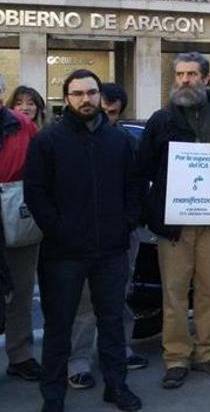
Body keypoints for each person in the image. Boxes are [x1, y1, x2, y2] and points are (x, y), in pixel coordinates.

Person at [24, 69, 142, 411]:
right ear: (67, 98)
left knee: (111, 322)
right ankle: (53, 397)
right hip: (63, 253)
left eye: (91, 93)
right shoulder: (48, 141)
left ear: (99, 96)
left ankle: (116, 386)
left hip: (111, 250)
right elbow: (36, 192)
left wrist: (126, 224)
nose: (85, 99)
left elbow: (133, 186)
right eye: (77, 94)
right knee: (59, 327)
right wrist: (59, 230)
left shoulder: (119, 140)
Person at [137, 52, 210, 388]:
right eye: (180, 74)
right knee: (174, 292)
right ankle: (176, 358)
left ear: (206, 78)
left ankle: (207, 352)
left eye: (192, 74)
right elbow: (144, 167)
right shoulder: (161, 120)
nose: (184, 80)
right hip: (175, 223)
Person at [67, 84, 148, 391]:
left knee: (119, 295)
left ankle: (119, 349)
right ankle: (78, 361)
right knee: (86, 302)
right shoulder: (68, 137)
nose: (109, 110)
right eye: (105, 104)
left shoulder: (126, 139)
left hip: (122, 234)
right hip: (85, 234)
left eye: (115, 106)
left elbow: (136, 183)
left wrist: (129, 220)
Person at [0, 77, 41, 383]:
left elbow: (41, 167)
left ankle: (20, 355)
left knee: (20, 289)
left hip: (15, 215)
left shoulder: (23, 125)